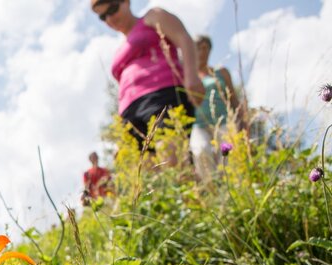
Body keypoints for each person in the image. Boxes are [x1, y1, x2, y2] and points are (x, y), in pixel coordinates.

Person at [92, 0, 204, 153]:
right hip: (129, 110)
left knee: (170, 156)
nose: (109, 19)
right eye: (103, 16)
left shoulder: (152, 17)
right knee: (144, 169)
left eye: (112, 9)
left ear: (126, 2)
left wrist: (191, 75)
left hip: (161, 95)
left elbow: (184, 39)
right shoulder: (119, 50)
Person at [190, 35, 242, 182]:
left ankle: (228, 188)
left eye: (204, 48)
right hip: (198, 125)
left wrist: (241, 124)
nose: (201, 52)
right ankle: (211, 190)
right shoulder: (189, 78)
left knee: (227, 159)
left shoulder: (221, 73)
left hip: (224, 122)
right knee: (201, 151)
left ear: (210, 50)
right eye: (197, 48)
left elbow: (234, 100)